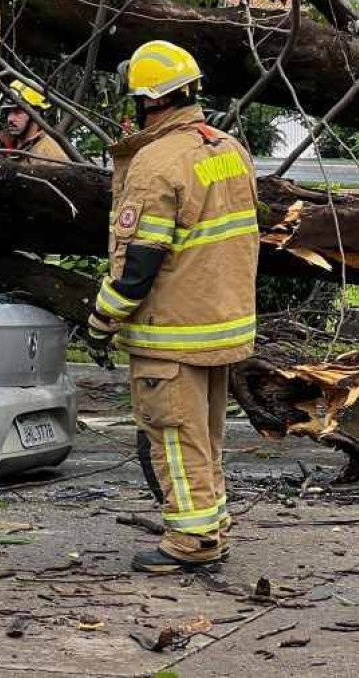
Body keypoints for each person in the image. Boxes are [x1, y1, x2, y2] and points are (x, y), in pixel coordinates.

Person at [84, 40, 259, 574]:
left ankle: (193, 540)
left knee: (175, 439)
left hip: (172, 332)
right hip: (219, 325)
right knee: (204, 436)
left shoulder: (156, 161)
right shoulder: (227, 148)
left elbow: (138, 265)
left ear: (145, 99)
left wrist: (99, 320)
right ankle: (212, 524)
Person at [0, 78, 69, 163]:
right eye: (8, 112)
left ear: (36, 113)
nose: (10, 118)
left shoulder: (50, 153)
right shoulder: (3, 144)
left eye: (18, 112)